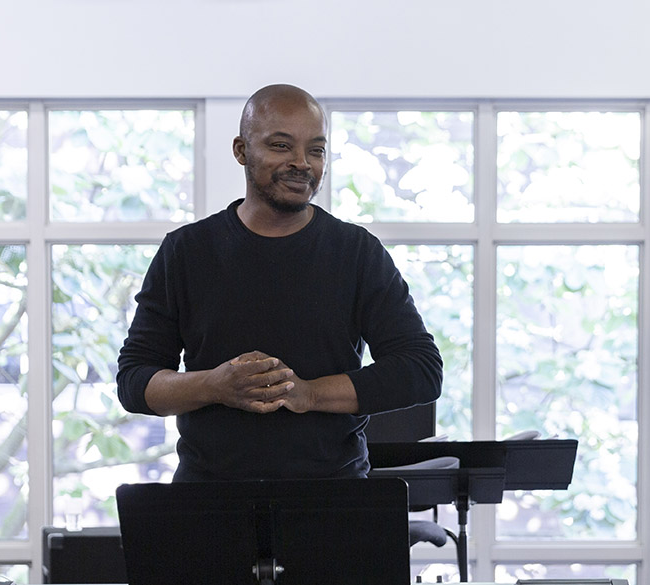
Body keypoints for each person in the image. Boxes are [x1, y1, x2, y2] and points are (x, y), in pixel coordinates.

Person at [117, 84, 443, 482]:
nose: (302, 163)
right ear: (241, 151)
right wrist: (216, 386)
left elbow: (421, 371)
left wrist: (308, 394)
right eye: (281, 146)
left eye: (316, 150)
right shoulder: (186, 251)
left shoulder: (356, 252)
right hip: (210, 502)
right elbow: (134, 382)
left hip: (333, 500)